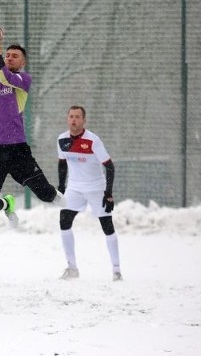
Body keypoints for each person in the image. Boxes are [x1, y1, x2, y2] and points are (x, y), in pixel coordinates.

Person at [0, 25, 65, 225]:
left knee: (45, 194)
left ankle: (72, 206)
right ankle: (8, 204)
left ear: (23, 62)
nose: (9, 58)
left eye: (14, 56)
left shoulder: (23, 80)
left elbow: (5, 77)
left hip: (16, 149)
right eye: (7, 55)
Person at [56, 105, 122, 281]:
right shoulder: (62, 140)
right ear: (67, 119)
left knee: (107, 225)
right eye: (71, 116)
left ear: (84, 121)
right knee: (64, 220)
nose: (74, 120)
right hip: (75, 187)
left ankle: (116, 270)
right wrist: (61, 188)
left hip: (96, 187)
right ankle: (72, 269)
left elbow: (109, 167)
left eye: (77, 117)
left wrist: (108, 193)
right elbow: (62, 164)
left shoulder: (93, 140)